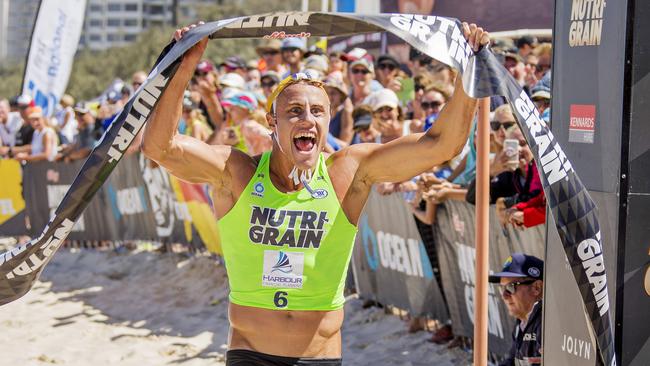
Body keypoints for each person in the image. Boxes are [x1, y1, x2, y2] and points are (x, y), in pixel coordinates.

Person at [142, 22, 488, 366]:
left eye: (318, 111)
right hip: (250, 353)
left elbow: (442, 145)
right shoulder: (237, 172)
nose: (307, 119)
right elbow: (161, 148)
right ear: (271, 122)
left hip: (319, 356)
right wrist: (184, 65)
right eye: (294, 111)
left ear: (328, 121)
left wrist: (468, 69)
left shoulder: (347, 171)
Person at [489, 253, 544, 366]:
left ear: (536, 288)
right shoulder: (523, 321)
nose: (504, 295)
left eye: (510, 287)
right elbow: (511, 362)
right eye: (501, 288)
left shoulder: (547, 323)